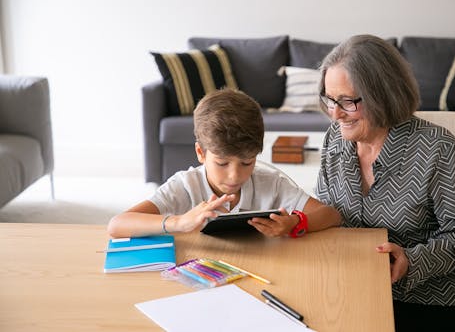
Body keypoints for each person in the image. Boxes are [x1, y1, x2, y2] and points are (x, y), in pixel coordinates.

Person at [313, 34, 455, 331]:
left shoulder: (439, 151)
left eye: (347, 101)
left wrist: (412, 259)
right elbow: (327, 210)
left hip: (440, 298)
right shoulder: (335, 140)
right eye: (330, 99)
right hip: (364, 282)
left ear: (382, 94)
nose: (335, 113)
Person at [107, 88, 340, 239]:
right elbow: (117, 225)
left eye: (247, 162)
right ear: (200, 152)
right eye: (221, 163)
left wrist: (294, 222)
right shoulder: (185, 185)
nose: (234, 176)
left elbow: (330, 215)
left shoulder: (271, 183)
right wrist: (179, 222)